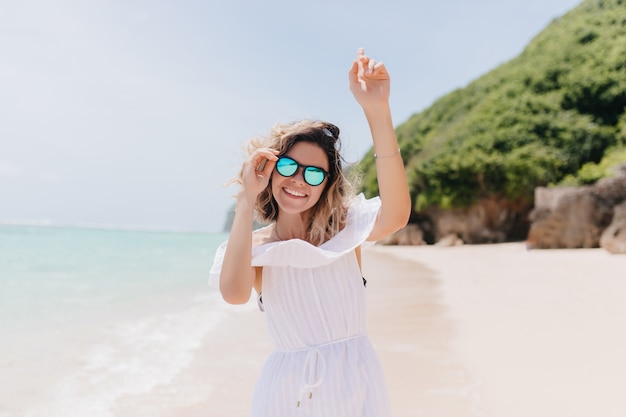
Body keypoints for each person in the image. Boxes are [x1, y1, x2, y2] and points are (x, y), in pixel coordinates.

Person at [210, 48, 411, 417]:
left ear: (325, 185)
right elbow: (235, 294)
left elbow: (396, 215)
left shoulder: (344, 231)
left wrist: (377, 110)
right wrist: (246, 198)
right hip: (288, 394)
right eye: (289, 165)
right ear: (270, 169)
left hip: (356, 381)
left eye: (314, 173)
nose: (299, 180)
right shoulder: (256, 249)